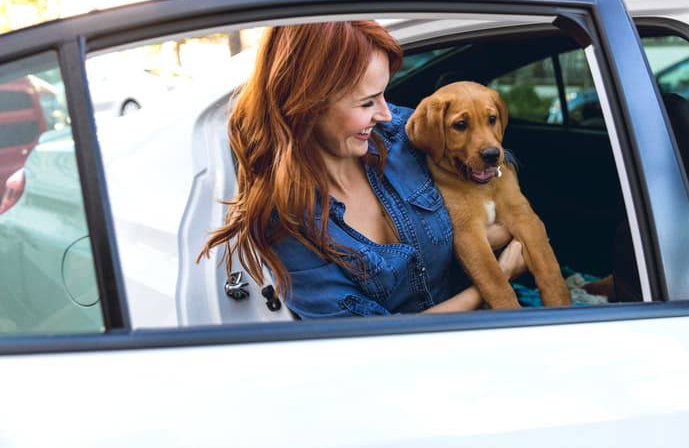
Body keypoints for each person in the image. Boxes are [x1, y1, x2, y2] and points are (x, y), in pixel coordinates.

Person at [199, 21, 526, 319]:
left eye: (384, 94)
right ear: (308, 105)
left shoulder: (400, 134)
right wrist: (497, 278)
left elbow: (489, 173)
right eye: (367, 102)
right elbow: (373, 341)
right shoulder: (289, 224)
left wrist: (482, 233)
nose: (385, 113)